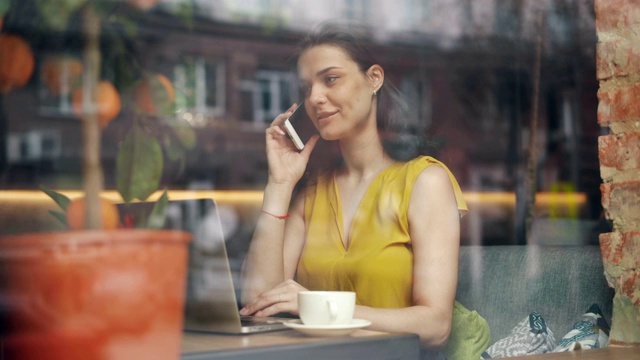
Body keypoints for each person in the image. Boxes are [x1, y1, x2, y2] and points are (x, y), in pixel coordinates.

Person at [240, 21, 490, 358]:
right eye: (306, 87)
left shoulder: (424, 182)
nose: (314, 98)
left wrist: (316, 305)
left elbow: (435, 326)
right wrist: (280, 184)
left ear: (374, 79)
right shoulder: (311, 194)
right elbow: (259, 303)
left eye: (330, 79)